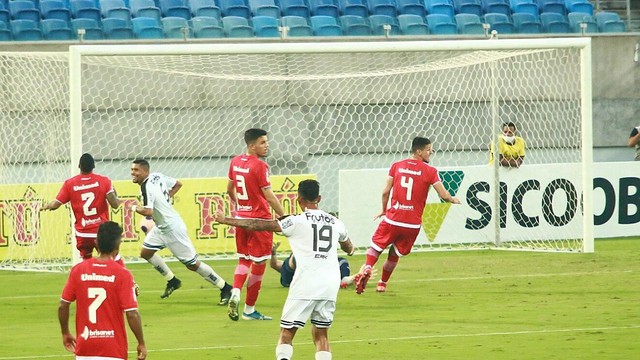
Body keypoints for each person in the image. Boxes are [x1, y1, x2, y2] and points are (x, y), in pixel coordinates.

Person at [216, 179, 354, 360]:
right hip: (330, 284)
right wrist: (349, 250)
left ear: (299, 199)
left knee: (287, 333)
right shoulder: (336, 222)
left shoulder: (295, 221)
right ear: (319, 198)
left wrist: (225, 220)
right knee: (321, 334)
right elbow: (349, 247)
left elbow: (258, 225)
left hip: (306, 282)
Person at [355, 137, 461, 294]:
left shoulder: (397, 166)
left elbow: (385, 192)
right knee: (394, 253)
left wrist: (384, 210)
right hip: (411, 225)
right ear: (419, 151)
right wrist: (453, 199)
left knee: (376, 247)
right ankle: (382, 284)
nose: (430, 152)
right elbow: (444, 195)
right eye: (428, 149)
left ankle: (368, 267)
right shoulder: (430, 171)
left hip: (393, 218)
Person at [129, 159, 232, 305]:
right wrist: (165, 201)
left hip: (172, 229)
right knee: (146, 253)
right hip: (161, 227)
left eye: (136, 170)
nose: (133, 173)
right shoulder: (157, 176)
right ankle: (173, 280)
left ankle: (225, 287)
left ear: (146, 171)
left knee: (192, 264)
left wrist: (133, 207)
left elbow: (148, 211)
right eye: (132, 170)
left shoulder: (146, 186)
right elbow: (178, 184)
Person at [58, 221, 146, 360]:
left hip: (85, 349)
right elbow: (132, 314)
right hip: (113, 350)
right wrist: (141, 343)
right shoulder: (122, 274)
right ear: (118, 245)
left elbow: (63, 305)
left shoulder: (78, 270)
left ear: (96, 243)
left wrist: (65, 333)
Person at [226, 128, 286, 321]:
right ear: (252, 145)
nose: (267, 145)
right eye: (262, 142)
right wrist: (283, 216)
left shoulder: (235, 162)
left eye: (267, 142)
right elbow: (269, 195)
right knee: (259, 263)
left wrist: (240, 207)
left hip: (241, 218)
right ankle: (249, 309)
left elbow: (229, 189)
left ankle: (235, 291)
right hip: (260, 220)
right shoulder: (260, 166)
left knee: (244, 260)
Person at [42, 153, 124, 263]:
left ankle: (87, 279)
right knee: (112, 258)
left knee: (86, 262)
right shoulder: (104, 181)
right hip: (101, 233)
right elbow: (114, 204)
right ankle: (127, 280)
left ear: (79, 166)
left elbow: (55, 205)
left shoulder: (70, 184)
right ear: (94, 166)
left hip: (83, 233)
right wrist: (117, 197)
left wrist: (47, 206)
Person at [270, 241, 373, 289]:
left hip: (301, 274)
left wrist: (273, 252)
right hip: (307, 270)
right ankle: (347, 279)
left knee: (298, 258)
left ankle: (346, 279)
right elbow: (274, 264)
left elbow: (274, 264)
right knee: (341, 262)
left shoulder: (286, 269)